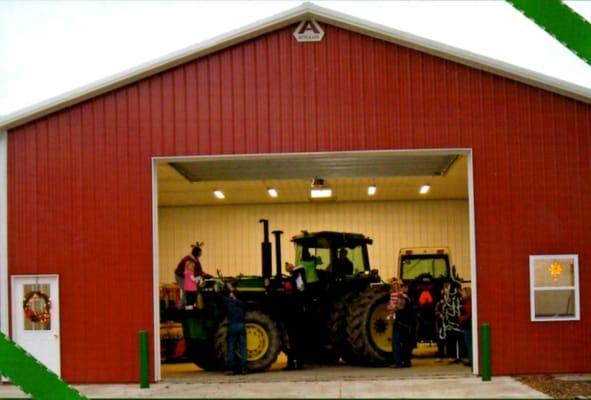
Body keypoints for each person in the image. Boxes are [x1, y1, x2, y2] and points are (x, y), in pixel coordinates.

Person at [282, 264, 306, 370]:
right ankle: (295, 363)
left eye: (288, 266)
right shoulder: (295, 276)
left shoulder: (298, 275)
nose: (286, 267)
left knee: (293, 339)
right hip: (294, 311)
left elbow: (301, 288)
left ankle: (295, 363)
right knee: (294, 339)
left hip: (294, 312)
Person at [174, 242, 211, 309]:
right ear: (196, 254)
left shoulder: (195, 259)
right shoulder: (188, 260)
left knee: (191, 292)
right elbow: (190, 274)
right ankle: (180, 308)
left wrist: (203, 274)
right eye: (200, 254)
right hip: (180, 276)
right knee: (187, 292)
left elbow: (199, 270)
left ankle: (188, 307)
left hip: (188, 277)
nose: (200, 255)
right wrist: (199, 276)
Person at [223, 283, 248, 375]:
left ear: (233, 295)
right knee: (243, 348)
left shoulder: (229, 303)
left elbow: (220, 296)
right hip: (241, 326)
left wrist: (219, 289)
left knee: (231, 347)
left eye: (231, 293)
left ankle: (232, 367)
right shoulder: (242, 304)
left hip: (233, 326)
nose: (230, 294)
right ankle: (244, 368)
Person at [390, 281, 415, 368]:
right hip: (404, 323)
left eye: (403, 287)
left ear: (406, 288)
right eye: (401, 287)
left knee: (399, 343)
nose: (401, 289)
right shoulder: (405, 298)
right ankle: (404, 361)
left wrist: (393, 307)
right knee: (403, 343)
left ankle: (400, 361)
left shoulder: (404, 298)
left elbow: (400, 308)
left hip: (402, 323)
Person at [459, 287, 472, 367]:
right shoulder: (466, 302)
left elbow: (469, 313)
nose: (461, 294)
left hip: (467, 325)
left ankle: (471, 360)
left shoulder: (467, 302)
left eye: (463, 292)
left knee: (469, 343)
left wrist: (461, 318)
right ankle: (470, 359)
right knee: (468, 343)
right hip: (466, 325)